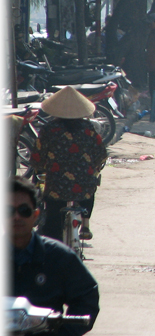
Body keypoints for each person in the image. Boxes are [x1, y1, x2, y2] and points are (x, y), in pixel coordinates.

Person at [11, 176, 100, 336]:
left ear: (36, 215)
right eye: (9, 211)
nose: (16, 217)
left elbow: (87, 298)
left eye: (24, 211)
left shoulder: (59, 256)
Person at [29, 86, 107, 241]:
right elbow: (101, 154)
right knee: (90, 187)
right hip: (84, 183)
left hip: (57, 183)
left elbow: (38, 157)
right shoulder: (88, 128)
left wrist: (40, 167)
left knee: (52, 217)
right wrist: (94, 167)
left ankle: (55, 245)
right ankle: (85, 224)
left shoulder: (49, 129)